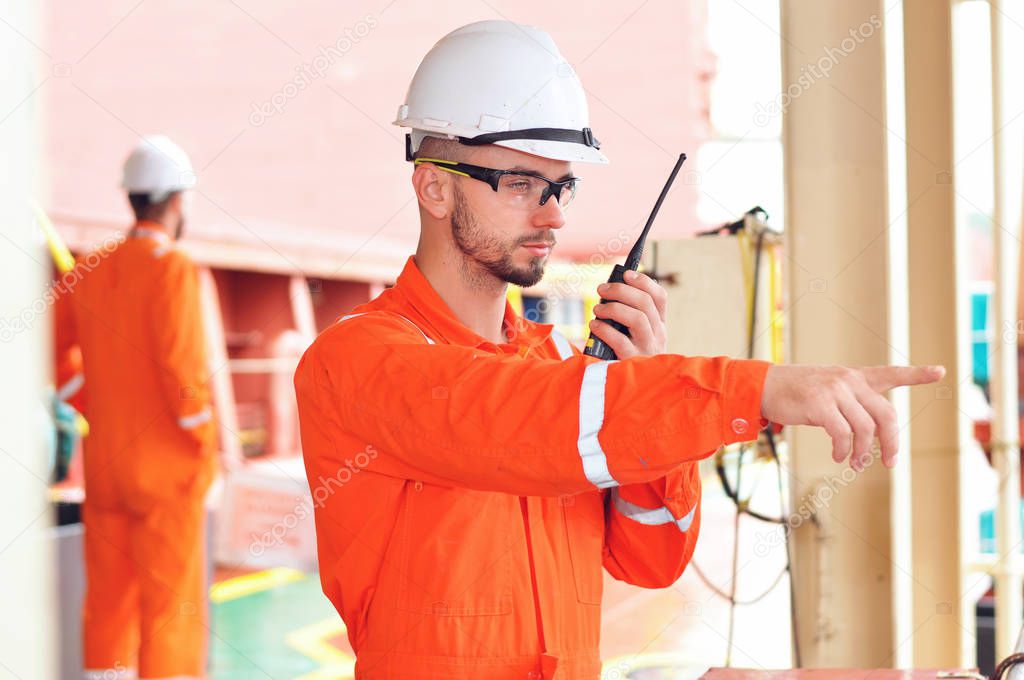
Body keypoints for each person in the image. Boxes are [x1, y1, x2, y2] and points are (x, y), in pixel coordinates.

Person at [294, 21, 943, 679]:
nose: (552, 216)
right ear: (434, 186)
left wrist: (641, 388)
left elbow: (650, 559)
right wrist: (758, 390)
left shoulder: (563, 379)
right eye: (520, 184)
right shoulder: (357, 359)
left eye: (561, 186)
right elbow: (504, 418)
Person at [70, 135, 216, 679]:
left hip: (105, 469)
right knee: (170, 611)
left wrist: (96, 403)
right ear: (179, 202)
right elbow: (182, 378)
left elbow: (51, 355)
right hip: (167, 476)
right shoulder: (171, 268)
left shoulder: (90, 268)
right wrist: (204, 450)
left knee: (108, 605)